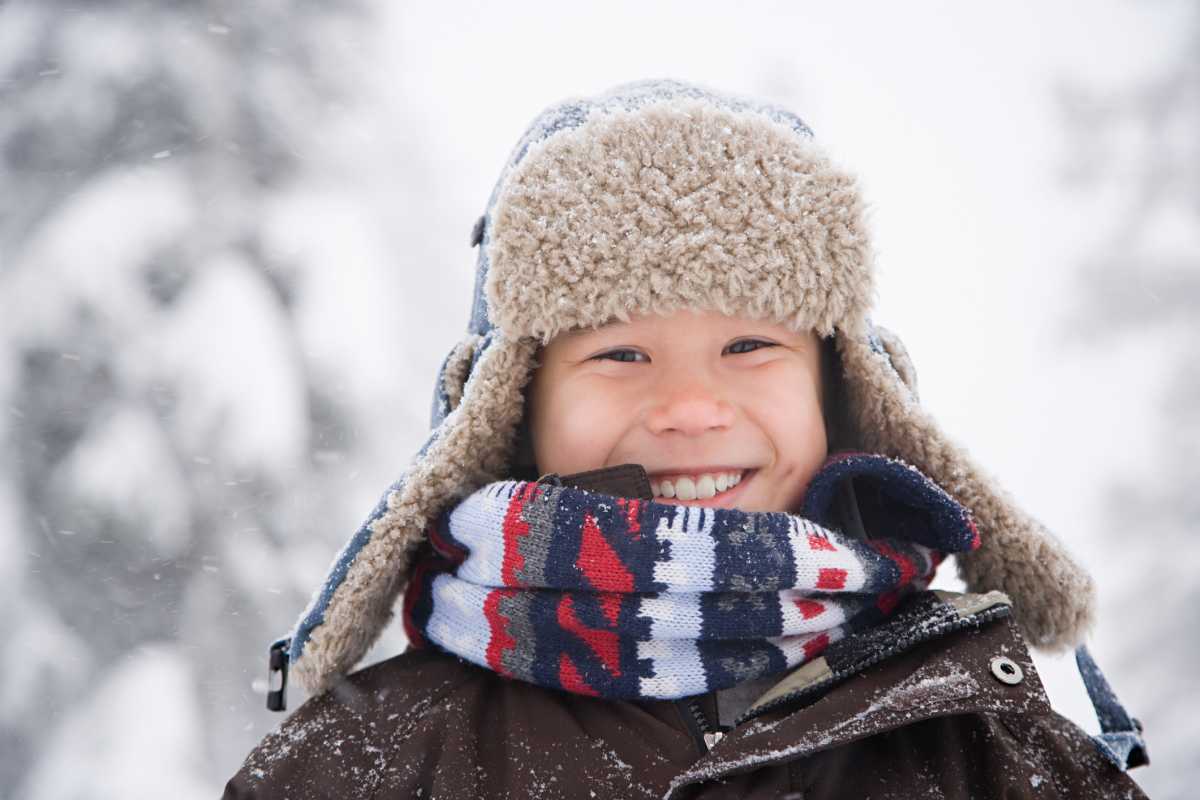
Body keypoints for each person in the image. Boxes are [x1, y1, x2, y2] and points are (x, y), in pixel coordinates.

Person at [223, 79, 1149, 798]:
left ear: (840, 392)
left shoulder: (994, 748)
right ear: (511, 412)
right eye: (621, 352)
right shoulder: (362, 767)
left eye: (750, 346)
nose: (692, 408)